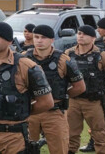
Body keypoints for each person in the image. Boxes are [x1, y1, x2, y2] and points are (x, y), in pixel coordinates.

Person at [0, 22, 54, 154]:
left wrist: (20, 110)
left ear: (9, 41)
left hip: (13, 135)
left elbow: (46, 102)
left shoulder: (27, 66)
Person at [23, 25, 85, 154]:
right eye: (36, 37)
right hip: (30, 111)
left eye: (43, 37)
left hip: (54, 112)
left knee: (59, 148)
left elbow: (79, 87)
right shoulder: (23, 58)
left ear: (52, 40)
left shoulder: (63, 59)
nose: (39, 40)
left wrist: (61, 95)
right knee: (25, 148)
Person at [65, 25, 105, 154]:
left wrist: (101, 88)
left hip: (94, 101)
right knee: (71, 134)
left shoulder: (103, 56)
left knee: (99, 134)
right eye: (79, 33)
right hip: (73, 101)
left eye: (85, 34)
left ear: (93, 38)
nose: (80, 36)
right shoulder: (68, 54)